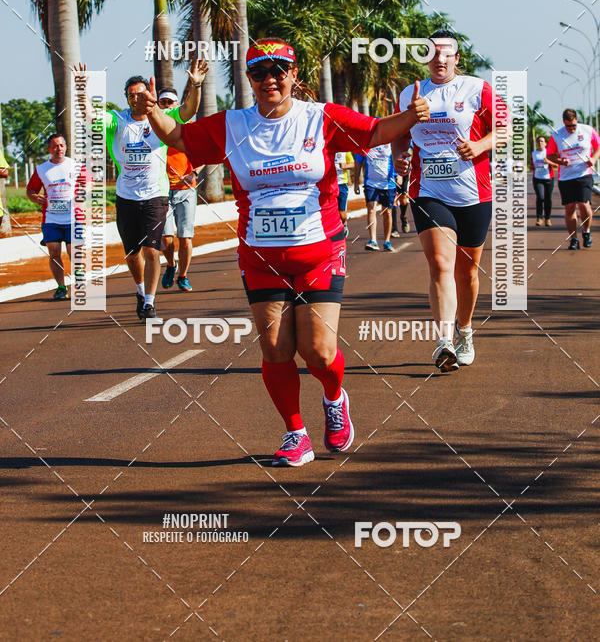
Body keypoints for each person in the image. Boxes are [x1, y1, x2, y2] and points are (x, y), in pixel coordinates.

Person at [140, 38, 430, 467]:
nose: (270, 80)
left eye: (279, 71)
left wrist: (411, 116)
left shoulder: (320, 117)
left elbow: (375, 132)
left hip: (320, 251)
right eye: (259, 73)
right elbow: (180, 137)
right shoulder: (232, 125)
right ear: (249, 80)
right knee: (275, 348)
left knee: (318, 352)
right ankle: (296, 431)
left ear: (294, 76)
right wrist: (152, 111)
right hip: (261, 258)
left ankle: (334, 397)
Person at [392, 30, 509, 372]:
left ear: (457, 58)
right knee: (441, 265)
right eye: (432, 54)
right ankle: (444, 341)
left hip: (474, 192)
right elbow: (398, 135)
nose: (439, 60)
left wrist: (480, 146)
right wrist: (400, 157)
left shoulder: (477, 89)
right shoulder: (410, 93)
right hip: (428, 190)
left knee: (467, 270)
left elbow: (505, 128)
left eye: (446, 54)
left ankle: (465, 329)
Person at [78, 60, 207, 319]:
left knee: (151, 250)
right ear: (127, 99)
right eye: (131, 95)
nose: (137, 98)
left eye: (141, 93)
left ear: (149, 95)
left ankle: (149, 303)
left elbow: (188, 110)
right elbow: (91, 116)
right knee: (132, 253)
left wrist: (195, 84)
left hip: (155, 195)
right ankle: (139, 290)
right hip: (126, 197)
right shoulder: (116, 120)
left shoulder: (162, 117)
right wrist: (82, 90)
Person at [26, 134, 87, 300]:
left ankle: (79, 272)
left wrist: (82, 193)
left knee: (73, 250)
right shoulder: (42, 169)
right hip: (51, 218)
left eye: (61, 145)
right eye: (54, 146)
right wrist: (35, 197)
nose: (58, 149)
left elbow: (88, 182)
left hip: (73, 217)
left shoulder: (75, 165)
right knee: (54, 252)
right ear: (48, 149)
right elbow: (31, 190)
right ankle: (61, 287)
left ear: (65, 147)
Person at [158, 87, 200, 292]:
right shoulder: (152, 129)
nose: (166, 106)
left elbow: (204, 152)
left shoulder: (189, 127)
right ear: (158, 105)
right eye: (163, 102)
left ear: (177, 105)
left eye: (170, 102)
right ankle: (171, 265)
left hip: (186, 189)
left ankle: (183, 275)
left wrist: (195, 173)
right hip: (162, 190)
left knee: (185, 236)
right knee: (166, 239)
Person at [546, 109, 600, 250]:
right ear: (564, 123)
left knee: (583, 204)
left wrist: (593, 158)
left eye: (574, 126)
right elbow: (549, 155)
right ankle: (573, 239)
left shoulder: (587, 130)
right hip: (566, 177)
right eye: (568, 126)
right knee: (570, 208)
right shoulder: (557, 135)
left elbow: (598, 146)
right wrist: (561, 161)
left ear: (577, 121)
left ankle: (586, 232)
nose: (571, 129)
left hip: (584, 174)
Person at [354, 142, 397, 252]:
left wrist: (399, 175)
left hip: (388, 184)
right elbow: (358, 161)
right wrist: (356, 182)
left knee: (387, 212)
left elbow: (397, 157)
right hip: (371, 183)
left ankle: (387, 241)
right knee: (371, 209)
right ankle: (373, 240)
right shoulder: (368, 142)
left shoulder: (391, 142)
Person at [531, 136, 554, 227]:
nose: (540, 143)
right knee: (540, 197)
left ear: (545, 143)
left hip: (548, 178)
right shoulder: (533, 153)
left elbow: (557, 164)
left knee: (548, 199)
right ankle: (539, 218)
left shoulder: (549, 153)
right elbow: (531, 166)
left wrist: (548, 161)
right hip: (537, 178)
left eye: (542, 141)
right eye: (538, 141)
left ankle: (547, 218)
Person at [334, 151, 353, 237]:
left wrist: (345, 166)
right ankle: (335, 230)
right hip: (331, 184)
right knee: (331, 210)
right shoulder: (327, 149)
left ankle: (344, 224)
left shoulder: (345, 151)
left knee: (342, 214)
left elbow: (353, 163)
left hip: (342, 183)